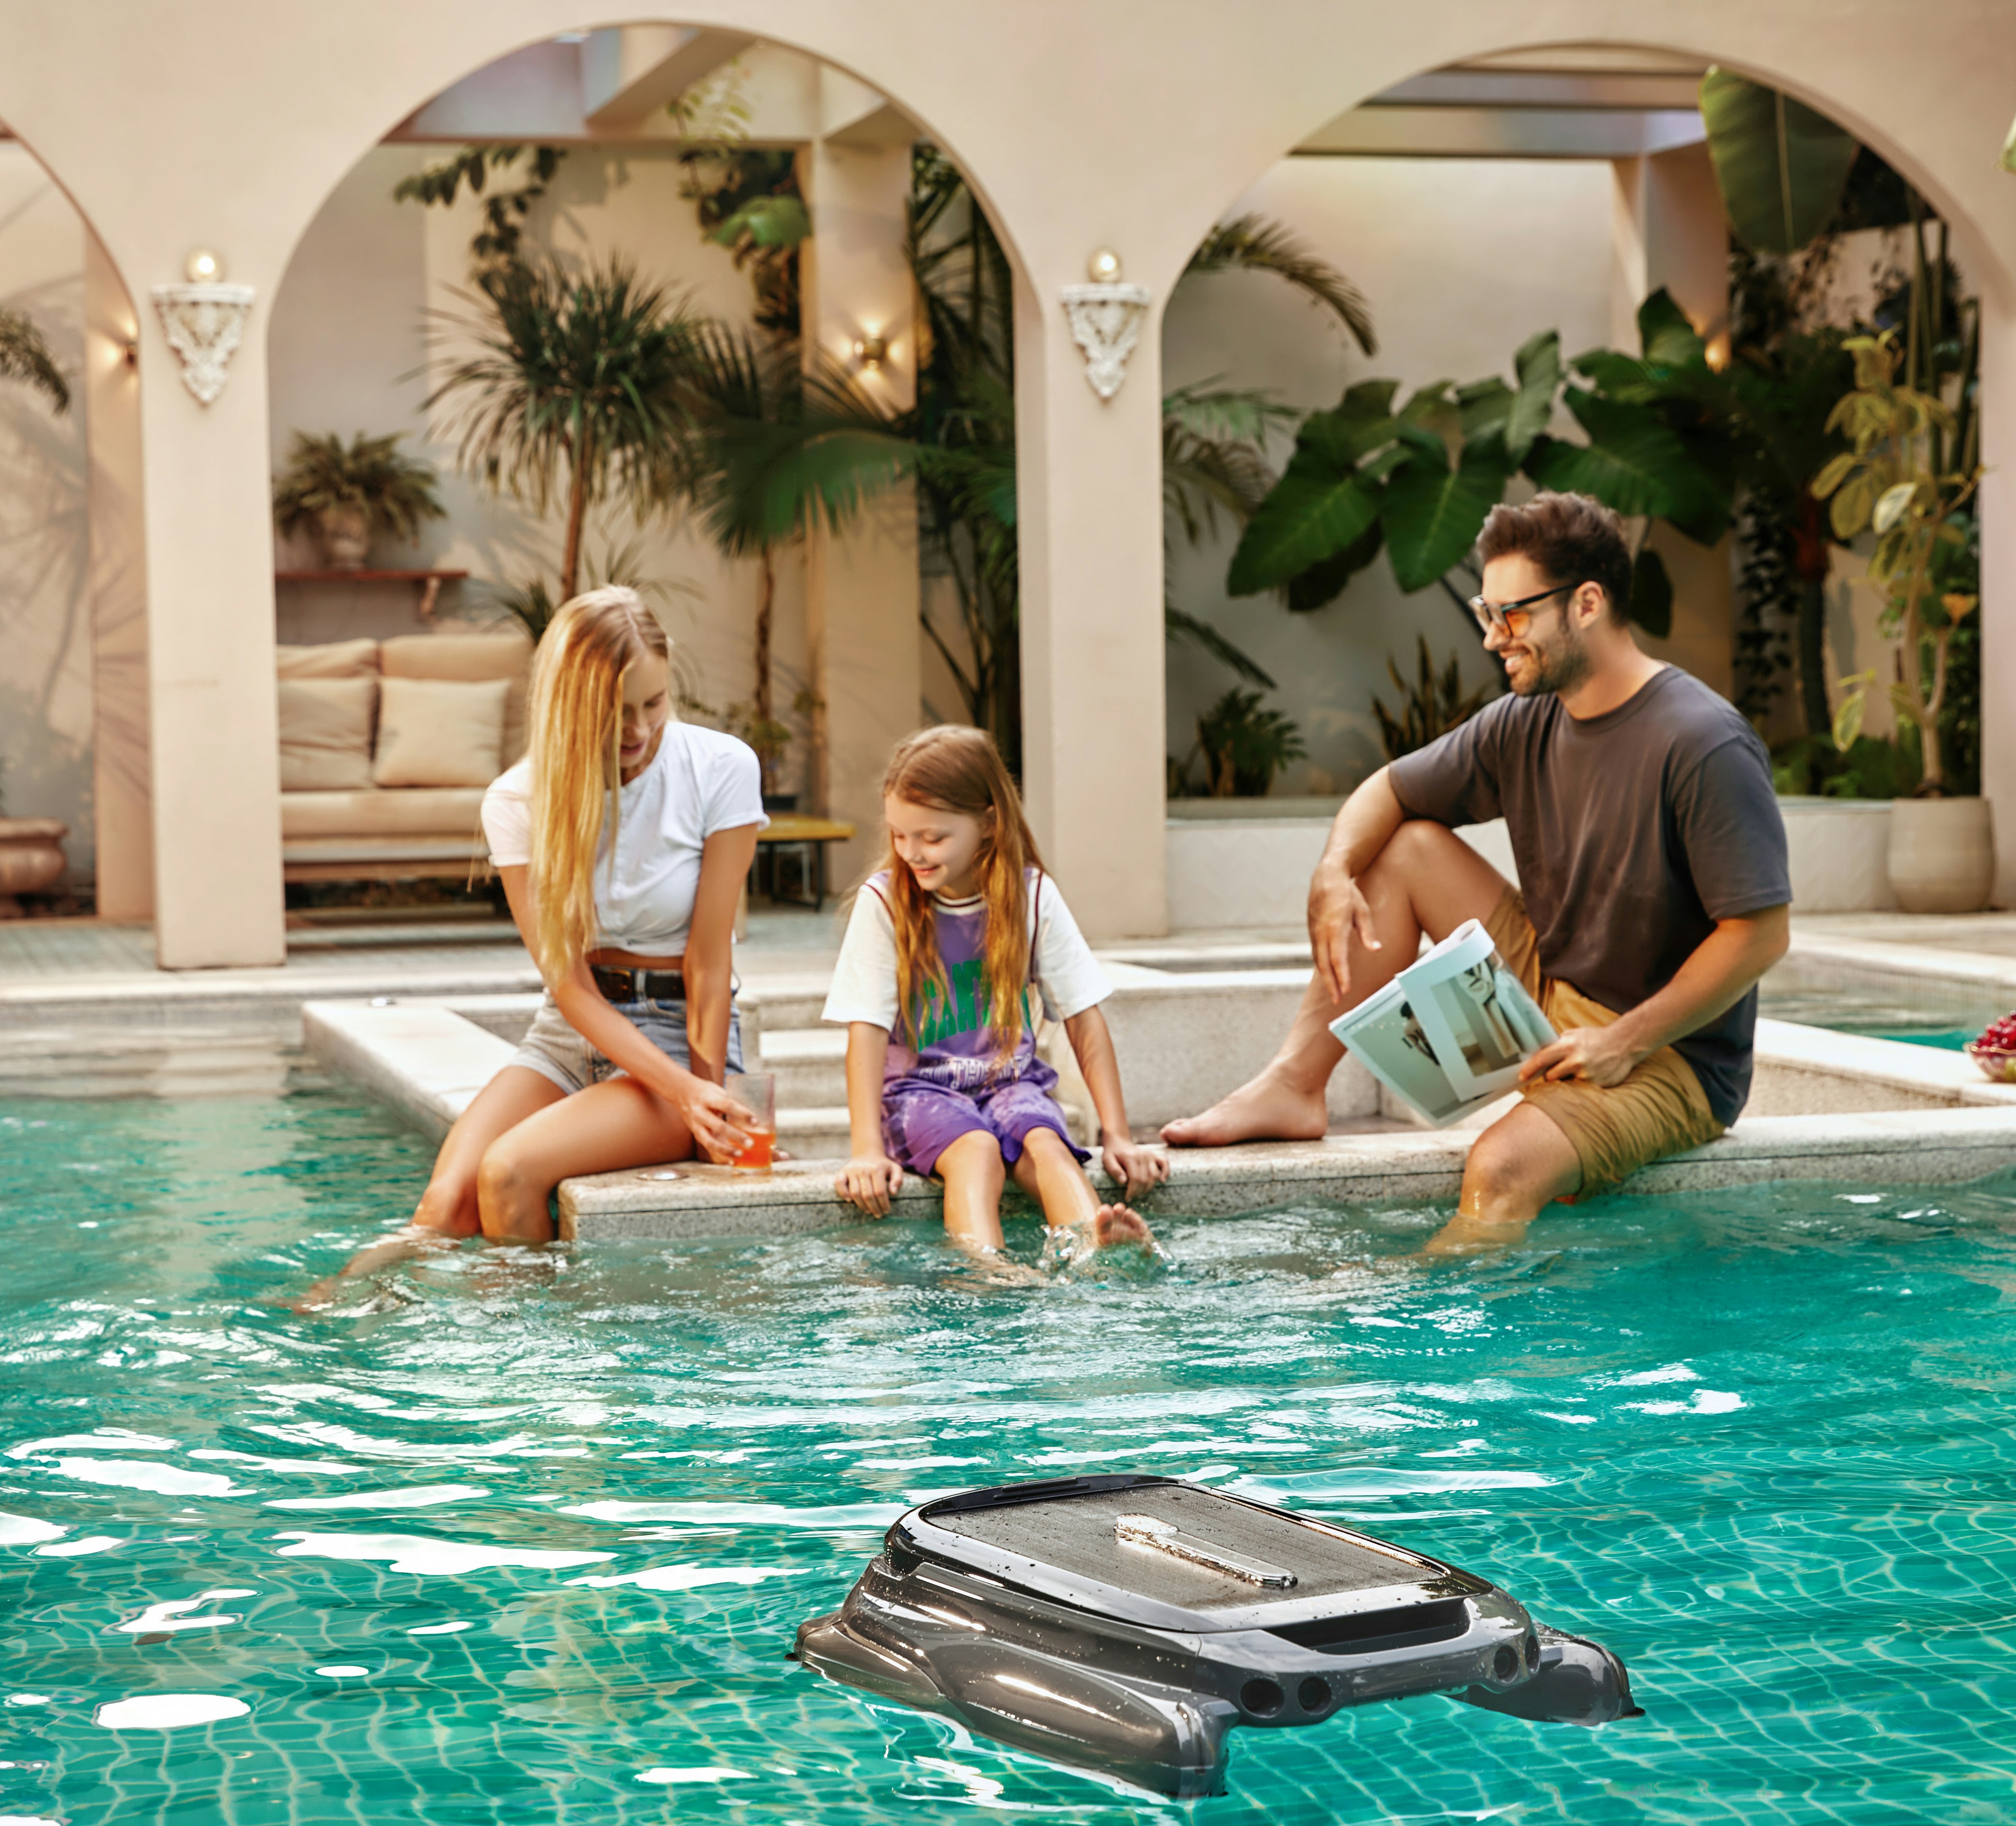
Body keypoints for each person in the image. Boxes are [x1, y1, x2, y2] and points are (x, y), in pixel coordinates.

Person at [1162, 492, 1794, 1247]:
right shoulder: (1524, 722)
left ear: (1587, 603)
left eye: (1513, 616)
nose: (1494, 638)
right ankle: (1296, 1086)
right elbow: (1388, 790)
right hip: (1552, 988)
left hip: (1667, 1054)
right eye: (1485, 614)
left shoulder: (1703, 743)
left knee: (1497, 1170)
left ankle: (1413, 1338)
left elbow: (1758, 936)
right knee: (1400, 850)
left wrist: (1621, 1040)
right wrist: (1332, 871)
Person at [402, 586, 764, 1248]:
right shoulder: (518, 800)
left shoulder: (720, 768)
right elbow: (567, 987)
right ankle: (335, 1317)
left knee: (509, 1172)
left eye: (652, 703)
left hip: (679, 1037)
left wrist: (701, 1099)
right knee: (442, 1210)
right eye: (613, 711)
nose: (637, 730)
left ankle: (534, 1346)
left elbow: (710, 964)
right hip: (568, 1039)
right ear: (567, 703)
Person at [824, 726, 1167, 1265]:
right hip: (919, 1092)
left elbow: (1083, 1017)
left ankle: (1096, 1245)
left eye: (932, 837)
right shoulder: (885, 903)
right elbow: (864, 1030)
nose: (911, 852)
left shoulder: (1032, 897)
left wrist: (1118, 1134)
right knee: (977, 1150)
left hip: (1012, 1081)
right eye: (899, 835)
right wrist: (867, 1149)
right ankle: (988, 1269)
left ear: (988, 824)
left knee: (1046, 1144)